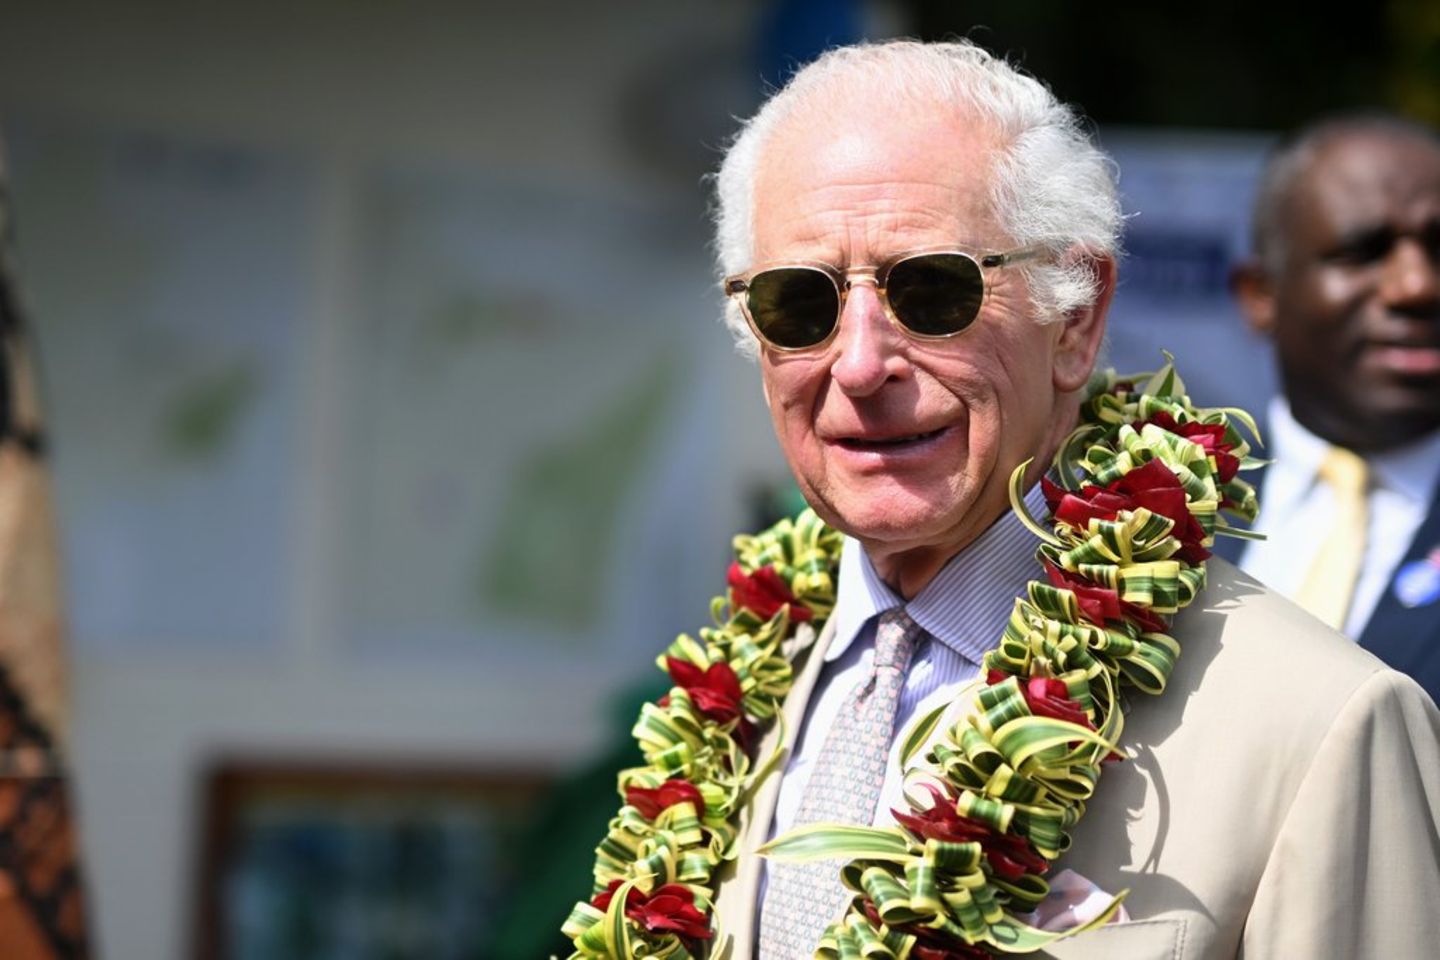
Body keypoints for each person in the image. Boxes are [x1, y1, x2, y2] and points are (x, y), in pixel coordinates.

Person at [697, 42, 1440, 959]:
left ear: (1076, 319)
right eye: (799, 304)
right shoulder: (740, 693)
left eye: (932, 289)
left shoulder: (1324, 725)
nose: (857, 365)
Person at [1228, 114, 1440, 704]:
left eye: (1439, 249)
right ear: (1260, 296)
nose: (1417, 286)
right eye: (1363, 253)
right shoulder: (1152, 510)